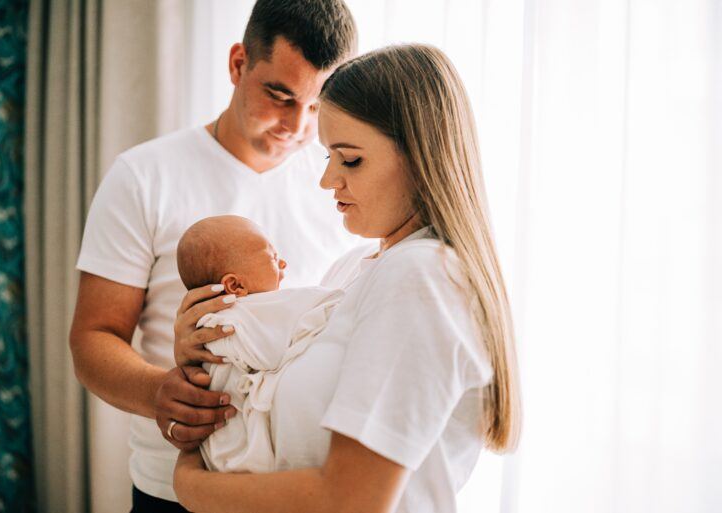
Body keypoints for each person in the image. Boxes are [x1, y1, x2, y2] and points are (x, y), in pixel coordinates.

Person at [173, 44, 522, 513]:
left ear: (421, 158)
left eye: (350, 159)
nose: (328, 181)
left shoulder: (421, 278)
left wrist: (190, 485)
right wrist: (212, 347)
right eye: (326, 158)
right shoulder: (354, 271)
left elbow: (350, 500)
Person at [68, 1, 358, 510]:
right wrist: (160, 391)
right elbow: (93, 338)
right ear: (238, 64)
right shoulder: (144, 175)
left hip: (295, 489)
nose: (297, 126)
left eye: (316, 106)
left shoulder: (342, 186)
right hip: (174, 488)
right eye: (280, 95)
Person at [175, 215, 343, 473]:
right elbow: (324, 304)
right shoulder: (251, 311)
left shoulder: (211, 319)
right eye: (273, 258)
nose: (283, 262)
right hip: (242, 437)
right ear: (236, 284)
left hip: (217, 453)